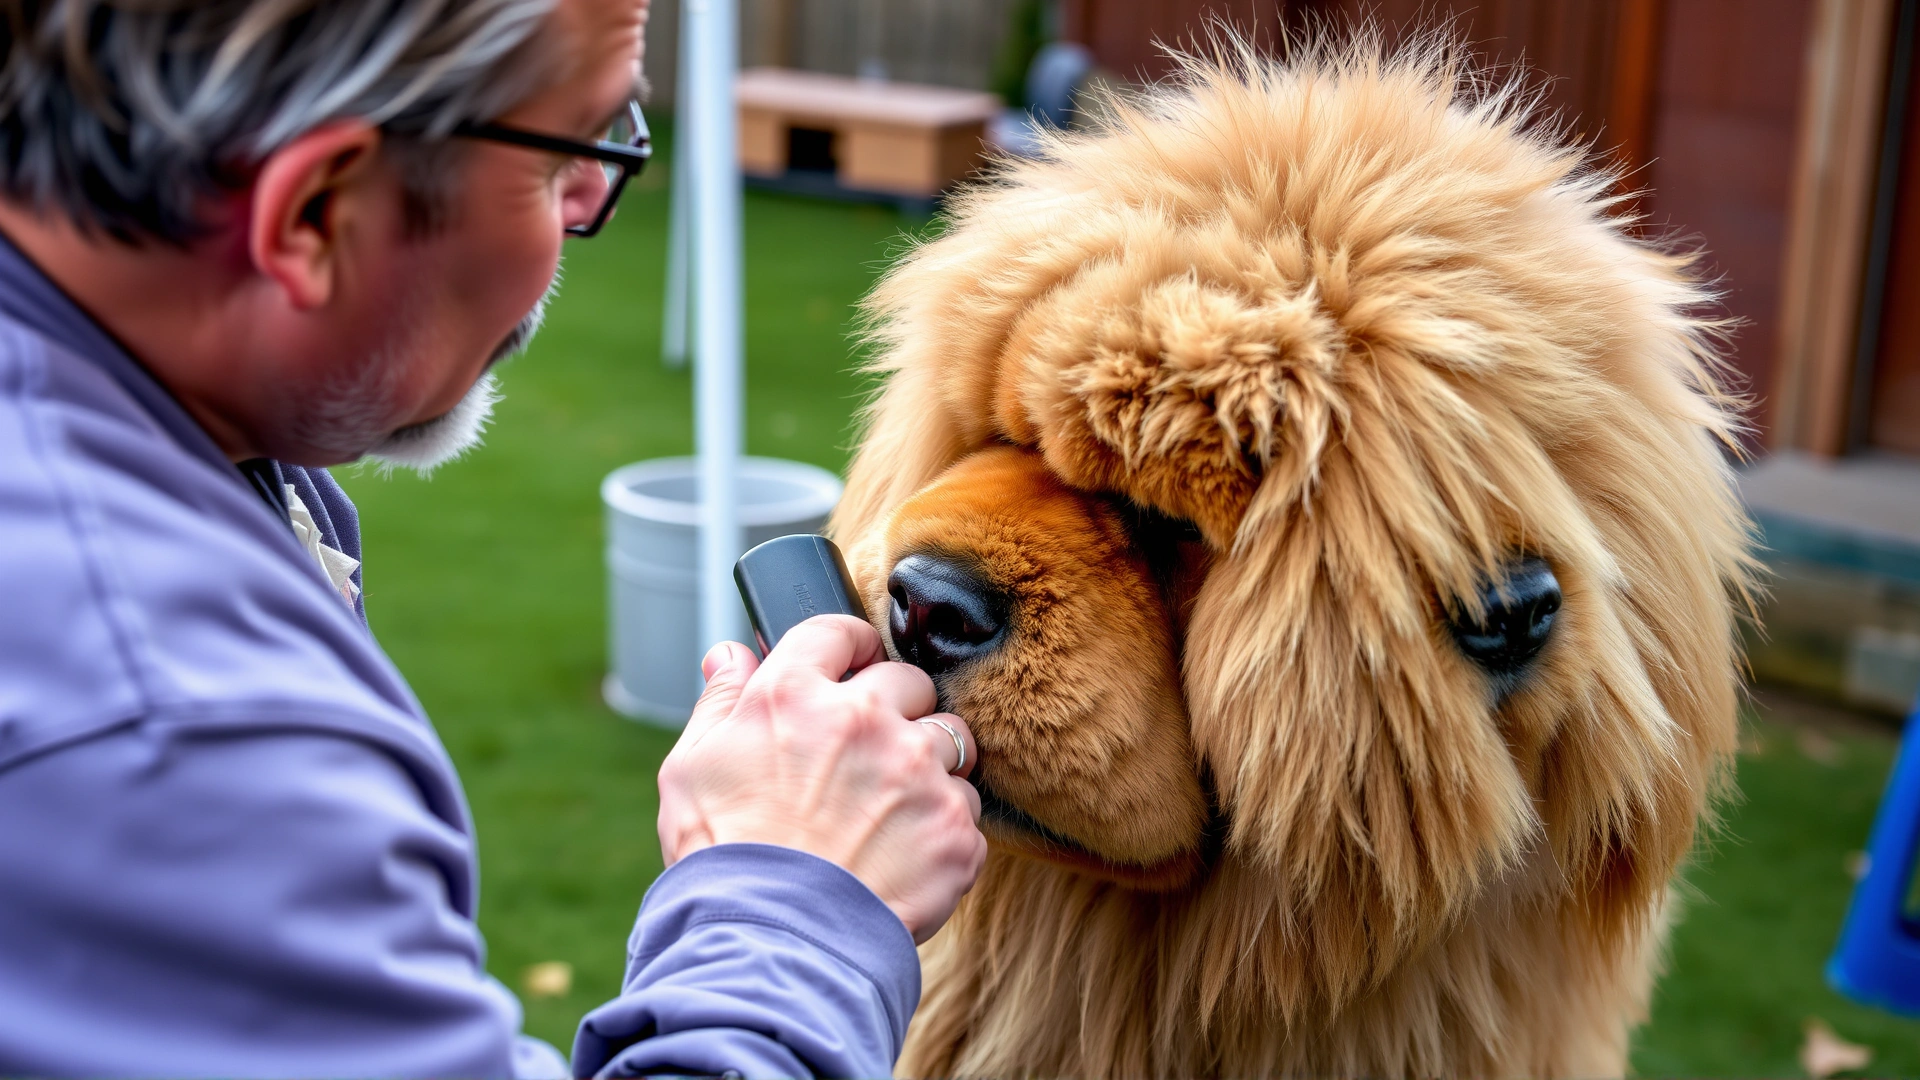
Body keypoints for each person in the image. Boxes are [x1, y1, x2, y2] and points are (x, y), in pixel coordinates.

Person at [0, 0, 986, 1076]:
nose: (587, 201)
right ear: (314, 214)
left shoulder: (185, 439)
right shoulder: (171, 717)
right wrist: (795, 891)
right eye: (571, 152)